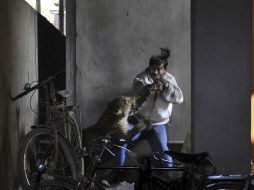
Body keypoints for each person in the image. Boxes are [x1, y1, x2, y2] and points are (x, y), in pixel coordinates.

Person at [102, 48, 183, 186]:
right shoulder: (141, 78)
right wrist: (149, 88)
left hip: (158, 124)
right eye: (153, 69)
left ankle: (161, 181)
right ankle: (116, 172)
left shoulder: (169, 79)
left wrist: (164, 84)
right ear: (149, 67)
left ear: (164, 69)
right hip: (138, 121)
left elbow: (178, 98)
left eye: (159, 69)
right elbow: (137, 89)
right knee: (119, 138)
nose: (155, 72)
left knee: (165, 157)